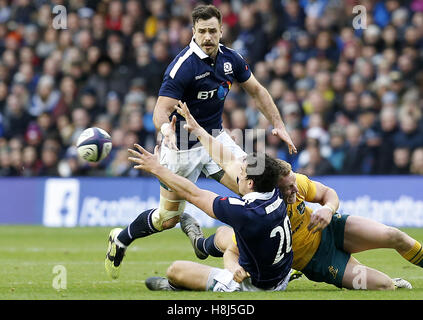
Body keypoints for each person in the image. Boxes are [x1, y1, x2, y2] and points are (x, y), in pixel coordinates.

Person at [105, 4, 296, 279]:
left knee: (256, 190)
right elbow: (161, 109)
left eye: (213, 31)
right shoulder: (183, 67)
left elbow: (257, 90)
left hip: (215, 140)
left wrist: (279, 124)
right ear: (193, 32)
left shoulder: (231, 59)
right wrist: (165, 131)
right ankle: (121, 238)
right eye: (202, 31)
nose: (208, 37)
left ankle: (272, 263)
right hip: (180, 147)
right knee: (166, 219)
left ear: (221, 31)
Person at [175, 101, 415, 290]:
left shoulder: (294, 181)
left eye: (293, 184)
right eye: (288, 188)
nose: (295, 191)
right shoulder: (259, 209)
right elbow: (235, 251)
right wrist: (232, 267)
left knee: (394, 236)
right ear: (271, 187)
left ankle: (202, 244)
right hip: (317, 261)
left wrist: (328, 209)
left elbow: (327, 193)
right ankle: (202, 244)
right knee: (384, 286)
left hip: (330, 229)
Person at [126, 136, 293, 292]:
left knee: (175, 270)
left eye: (241, 172)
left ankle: (175, 286)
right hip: (281, 273)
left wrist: (158, 169)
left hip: (257, 284)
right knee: (223, 233)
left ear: (250, 183)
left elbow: (193, 193)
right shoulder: (274, 191)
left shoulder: (245, 212)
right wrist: (198, 130)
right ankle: (203, 247)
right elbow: (229, 161)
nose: (238, 175)